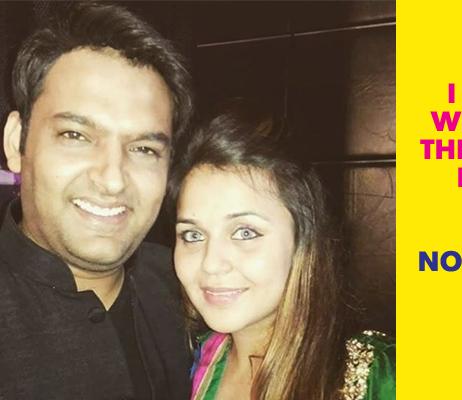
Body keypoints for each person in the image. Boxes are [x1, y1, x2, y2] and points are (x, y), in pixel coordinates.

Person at [0, 3, 194, 399]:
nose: (112, 179)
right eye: (76, 136)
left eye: (144, 149)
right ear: (16, 141)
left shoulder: (196, 288)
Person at [169, 112, 396, 400]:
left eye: (245, 232)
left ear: (304, 240)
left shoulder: (382, 377)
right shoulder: (185, 362)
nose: (211, 264)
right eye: (193, 235)